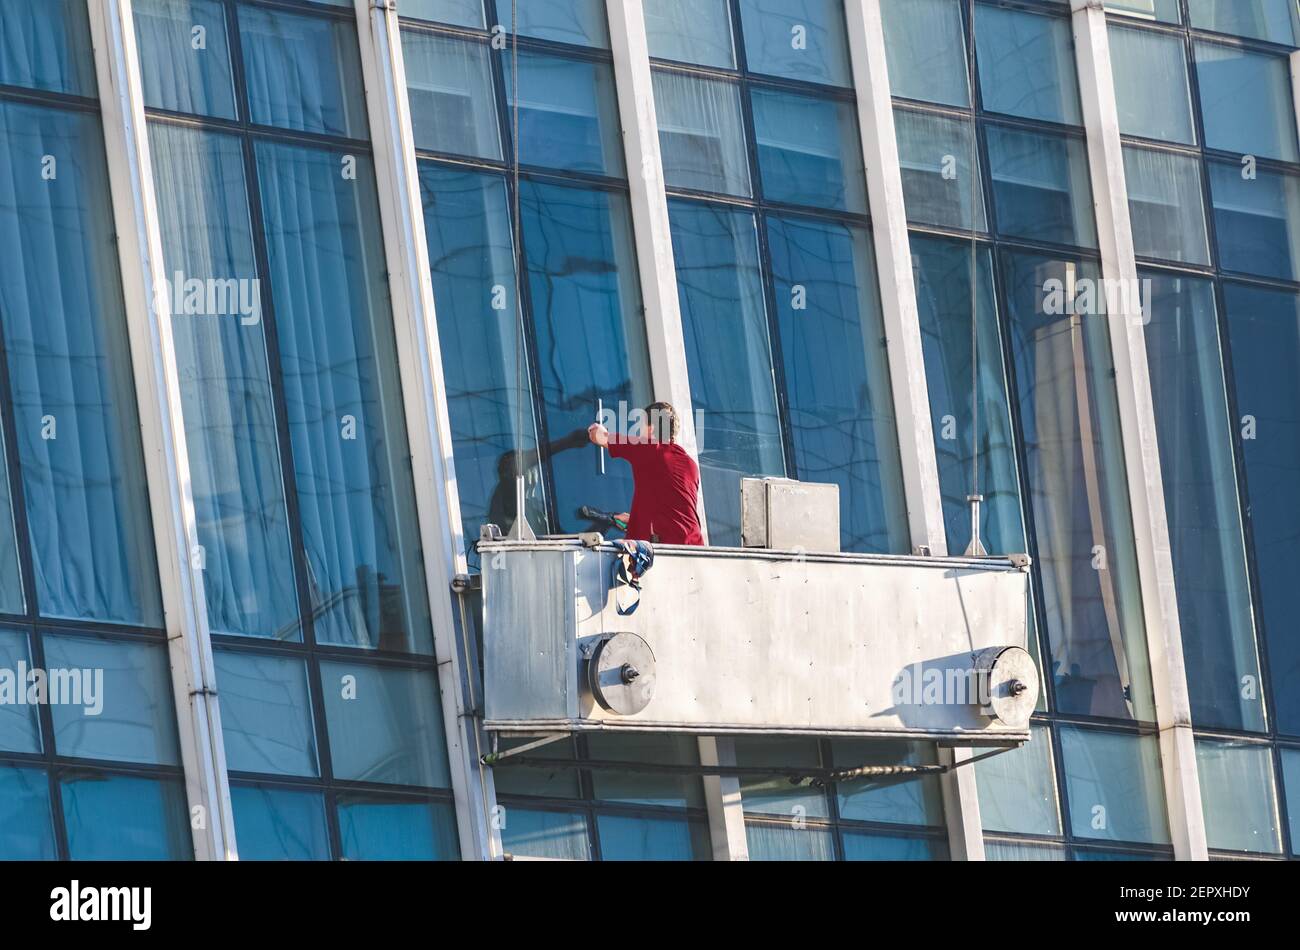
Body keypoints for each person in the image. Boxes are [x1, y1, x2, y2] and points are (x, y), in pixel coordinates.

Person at [587, 401, 704, 546]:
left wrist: (594, 426)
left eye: (641, 425)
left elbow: (598, 435)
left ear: (651, 428)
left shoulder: (648, 448)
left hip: (667, 553)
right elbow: (674, 509)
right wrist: (636, 520)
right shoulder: (690, 464)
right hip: (696, 550)